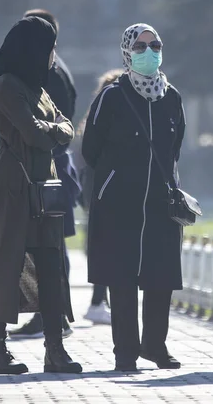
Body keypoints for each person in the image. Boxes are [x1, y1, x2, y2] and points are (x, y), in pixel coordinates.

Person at [82, 23, 185, 372]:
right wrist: (116, 178)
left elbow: (175, 147)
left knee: (160, 278)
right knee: (122, 279)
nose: (148, 52)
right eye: (140, 46)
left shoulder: (172, 97)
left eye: (154, 45)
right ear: (127, 52)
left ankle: (155, 346)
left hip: (161, 203)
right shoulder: (111, 96)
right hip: (118, 204)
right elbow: (90, 149)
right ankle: (125, 352)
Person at [0, 16, 80, 375]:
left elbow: (66, 128)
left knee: (51, 267)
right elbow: (35, 134)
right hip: (14, 187)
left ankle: (55, 349)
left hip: (45, 188)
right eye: (51, 47)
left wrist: (51, 129)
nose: (54, 55)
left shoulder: (38, 89)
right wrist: (52, 130)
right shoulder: (7, 87)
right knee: (9, 266)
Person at [8, 9, 82, 338]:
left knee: (48, 246)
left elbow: (50, 123)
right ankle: (53, 312)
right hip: (53, 165)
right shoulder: (56, 67)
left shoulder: (48, 71)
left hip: (47, 169)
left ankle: (53, 313)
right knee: (50, 246)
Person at [74, 69, 122, 325]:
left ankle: (101, 301)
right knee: (109, 246)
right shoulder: (107, 114)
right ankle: (98, 302)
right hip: (103, 187)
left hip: (93, 187)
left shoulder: (91, 116)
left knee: (103, 245)